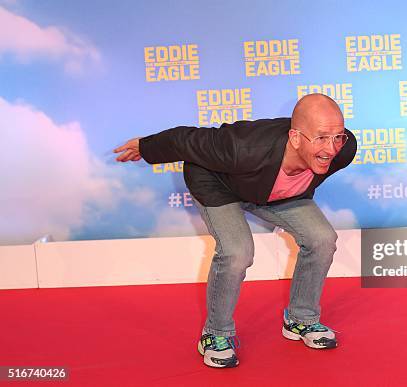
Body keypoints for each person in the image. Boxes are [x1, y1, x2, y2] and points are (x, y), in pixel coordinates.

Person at [114, 93, 357, 368]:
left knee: (322, 238)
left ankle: (301, 319)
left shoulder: (344, 150)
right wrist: (146, 147)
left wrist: (285, 185)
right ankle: (215, 335)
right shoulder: (242, 147)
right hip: (219, 185)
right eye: (322, 137)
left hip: (272, 192)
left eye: (338, 136)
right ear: (296, 137)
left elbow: (318, 164)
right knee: (237, 251)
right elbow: (186, 140)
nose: (332, 148)